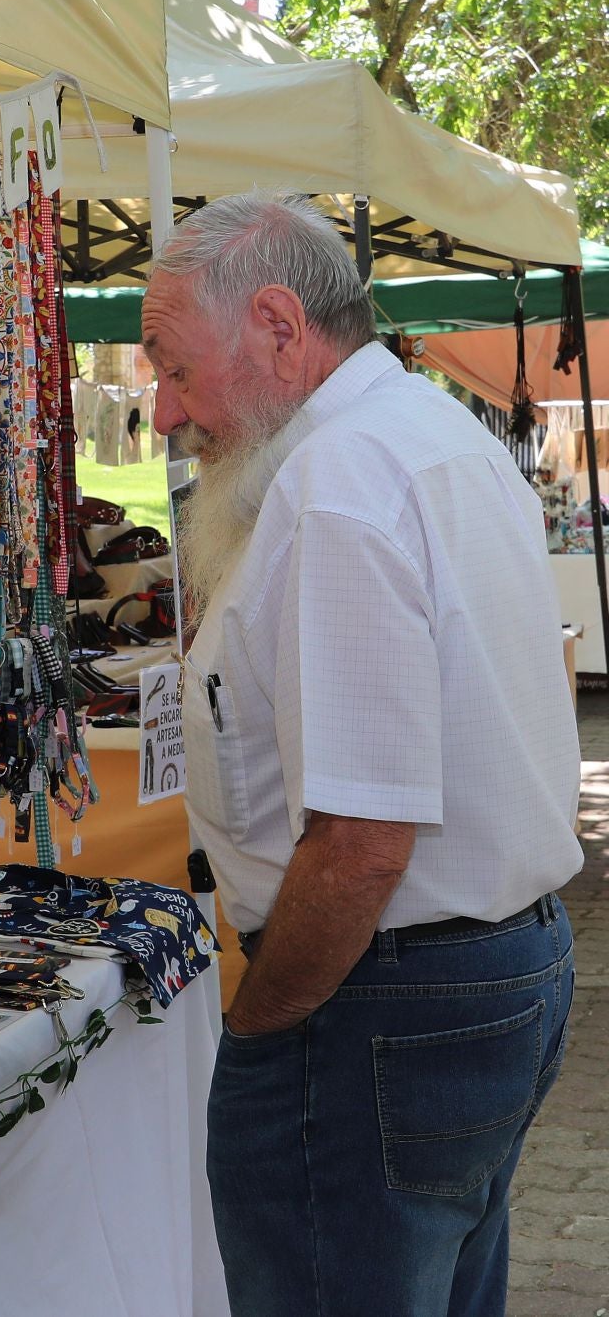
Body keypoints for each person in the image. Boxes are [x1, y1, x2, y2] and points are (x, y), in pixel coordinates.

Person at [142, 192, 581, 1316]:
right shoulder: (431, 436)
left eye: (178, 369)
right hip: (486, 970)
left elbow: (362, 845)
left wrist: (263, 1019)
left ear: (281, 330)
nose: (164, 410)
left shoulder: (343, 480)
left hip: (381, 1000)